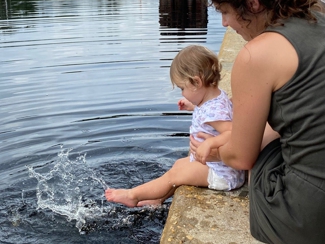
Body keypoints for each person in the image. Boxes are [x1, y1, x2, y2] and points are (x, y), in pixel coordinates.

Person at [195, 0, 325, 244]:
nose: (226, 23)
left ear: (252, 2)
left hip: (315, 226)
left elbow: (242, 157)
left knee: (254, 154)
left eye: (225, 11)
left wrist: (214, 149)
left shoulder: (258, 54)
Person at [104, 45, 245, 208]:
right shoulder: (215, 98)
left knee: (174, 175)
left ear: (196, 82)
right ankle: (159, 198)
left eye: (182, 88)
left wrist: (209, 144)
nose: (182, 93)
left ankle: (132, 195)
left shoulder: (212, 111)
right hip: (218, 166)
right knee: (179, 164)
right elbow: (211, 111)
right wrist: (193, 106)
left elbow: (233, 132)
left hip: (222, 174)